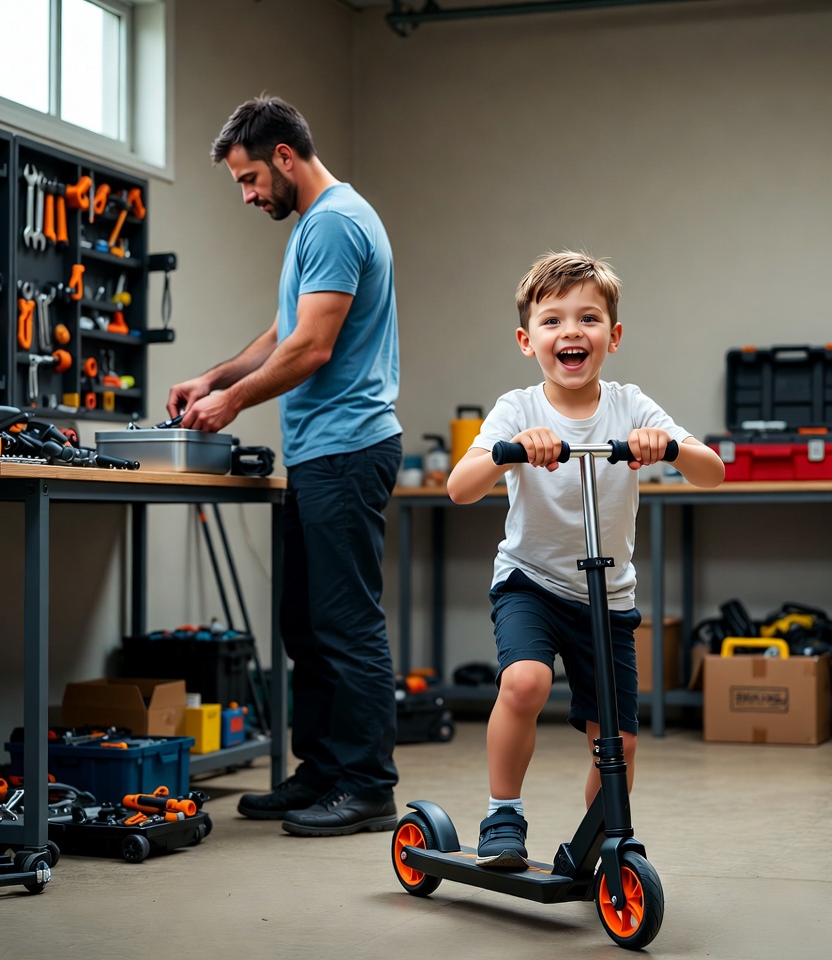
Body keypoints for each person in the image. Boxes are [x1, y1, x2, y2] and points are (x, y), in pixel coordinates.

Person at [167, 95, 402, 837]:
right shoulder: (315, 227)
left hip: (346, 449)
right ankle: (322, 773)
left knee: (346, 625)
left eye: (249, 179)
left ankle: (367, 788)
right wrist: (212, 378)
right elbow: (282, 334)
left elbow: (313, 349)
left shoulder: (334, 221)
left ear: (285, 158)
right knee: (305, 624)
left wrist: (233, 403)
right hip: (317, 454)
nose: (247, 196)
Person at [447, 250, 724, 868]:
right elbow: (459, 487)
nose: (571, 332)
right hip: (531, 581)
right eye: (552, 321)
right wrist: (508, 450)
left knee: (618, 737)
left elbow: (713, 471)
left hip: (609, 594)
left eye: (589, 319)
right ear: (527, 341)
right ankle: (503, 816)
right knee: (525, 681)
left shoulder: (630, 406)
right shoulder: (518, 409)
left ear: (613, 337)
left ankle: (599, 841)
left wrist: (670, 446)